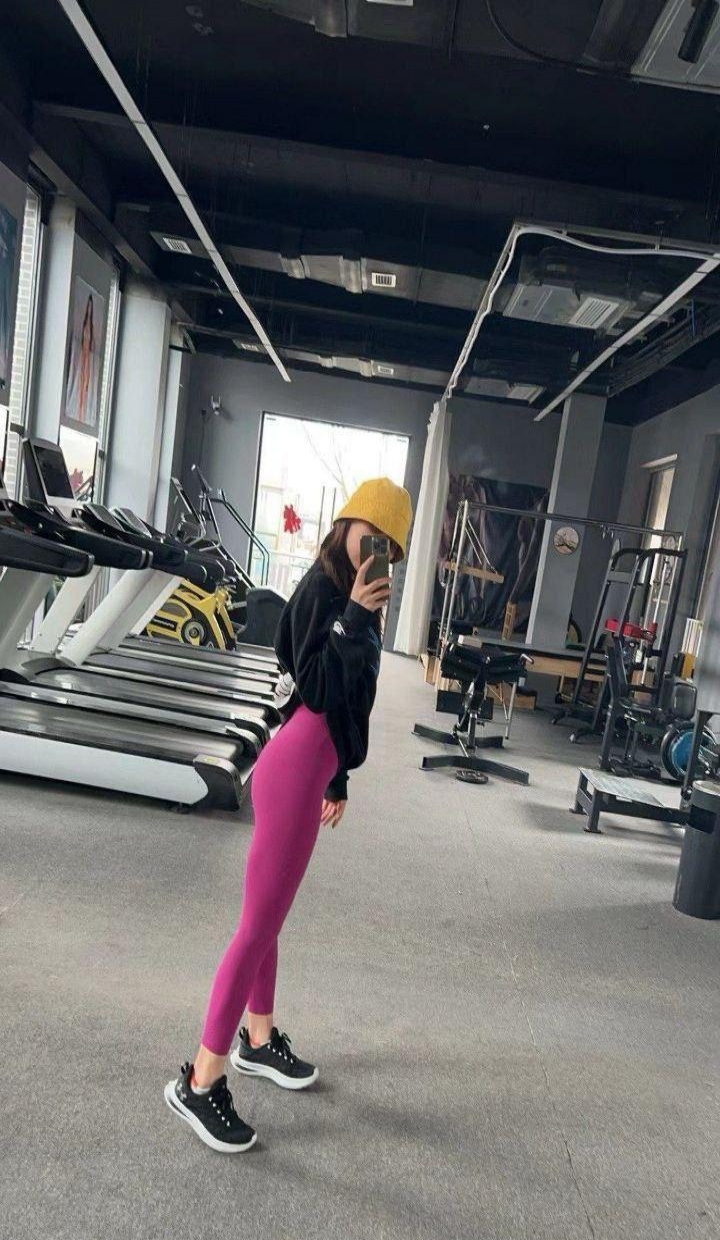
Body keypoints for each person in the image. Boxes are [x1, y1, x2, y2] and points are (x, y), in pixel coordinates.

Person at [165, 477, 413, 1153]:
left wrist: (340, 775)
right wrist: (352, 619)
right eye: (371, 536)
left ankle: (258, 1036)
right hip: (289, 767)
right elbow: (317, 685)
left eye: (391, 547)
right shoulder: (324, 594)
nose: (377, 552)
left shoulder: (359, 600)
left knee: (270, 916)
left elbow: (353, 700)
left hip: (313, 768)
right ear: (347, 526)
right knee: (255, 927)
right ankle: (199, 1082)